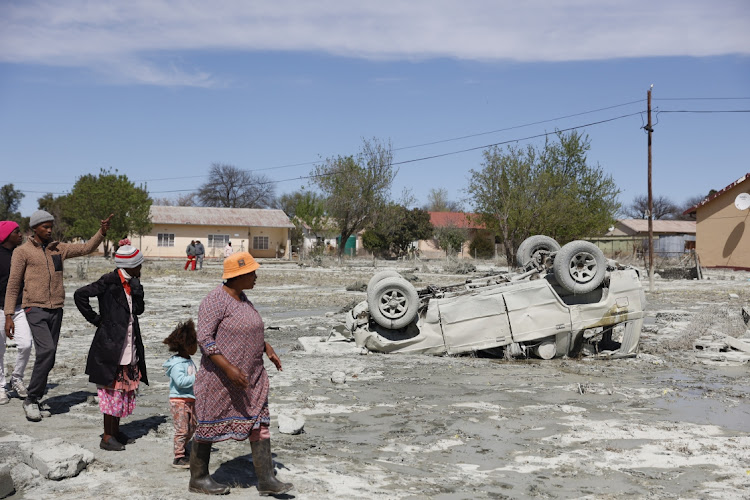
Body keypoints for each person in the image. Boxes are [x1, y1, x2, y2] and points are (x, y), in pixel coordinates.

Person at [189, 252, 292, 496]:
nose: (256, 276)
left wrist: (267, 348)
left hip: (251, 379)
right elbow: (204, 338)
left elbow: (249, 329)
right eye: (252, 273)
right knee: (207, 425)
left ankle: (266, 479)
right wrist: (228, 368)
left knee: (259, 422)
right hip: (220, 380)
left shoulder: (243, 299)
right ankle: (199, 478)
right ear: (238, 275)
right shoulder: (214, 300)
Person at [4, 210, 112, 422]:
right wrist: (9, 314)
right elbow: (13, 284)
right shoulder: (22, 252)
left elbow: (86, 248)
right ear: (34, 228)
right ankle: (31, 399)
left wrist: (101, 232)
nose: (49, 230)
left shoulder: (58, 249)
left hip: (57, 308)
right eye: (45, 226)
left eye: (51, 226)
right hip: (34, 308)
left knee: (50, 357)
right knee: (47, 350)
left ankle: (36, 397)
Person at [74, 239, 148, 451]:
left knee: (122, 391)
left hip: (128, 343)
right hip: (110, 346)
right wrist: (97, 320)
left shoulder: (133, 282)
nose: (141, 267)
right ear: (129, 265)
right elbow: (80, 295)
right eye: (139, 264)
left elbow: (138, 310)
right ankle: (107, 436)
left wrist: (138, 290)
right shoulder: (108, 281)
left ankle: (115, 431)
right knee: (112, 391)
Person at [0, 221, 32, 404]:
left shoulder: (20, 254)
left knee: (26, 344)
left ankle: (16, 378)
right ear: (5, 236)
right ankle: (1, 387)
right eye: (16, 232)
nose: (20, 235)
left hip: (19, 308)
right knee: (0, 349)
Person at [163, 319, 198, 469]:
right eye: (194, 344)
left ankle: (184, 448)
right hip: (179, 401)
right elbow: (181, 382)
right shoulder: (177, 364)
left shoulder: (189, 361)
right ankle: (178, 456)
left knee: (192, 427)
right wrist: (198, 377)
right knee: (182, 429)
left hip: (190, 399)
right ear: (186, 346)